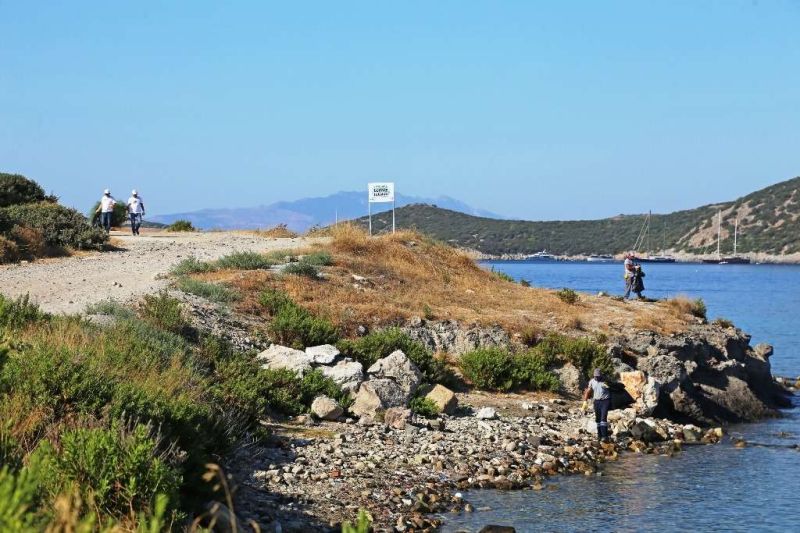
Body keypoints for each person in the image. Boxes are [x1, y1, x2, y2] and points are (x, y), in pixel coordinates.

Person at [582, 368, 611, 442]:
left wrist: (608, 385)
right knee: (598, 419)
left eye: (598, 376)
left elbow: (612, 387)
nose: (596, 377)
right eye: (595, 376)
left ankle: (605, 436)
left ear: (601, 375)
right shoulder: (592, 381)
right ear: (593, 375)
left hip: (605, 401)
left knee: (603, 419)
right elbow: (588, 391)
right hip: (596, 402)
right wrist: (585, 402)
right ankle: (599, 435)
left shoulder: (605, 380)